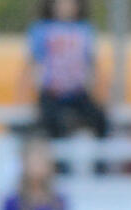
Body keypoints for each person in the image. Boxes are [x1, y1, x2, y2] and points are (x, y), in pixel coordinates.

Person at [23, 0, 109, 143]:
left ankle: (100, 164)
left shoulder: (85, 30)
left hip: (78, 93)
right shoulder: (42, 29)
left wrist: (103, 96)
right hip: (52, 93)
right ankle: (58, 165)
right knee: (53, 126)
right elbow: (30, 65)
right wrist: (25, 99)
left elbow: (94, 65)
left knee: (99, 120)